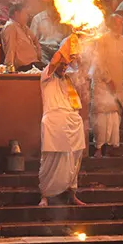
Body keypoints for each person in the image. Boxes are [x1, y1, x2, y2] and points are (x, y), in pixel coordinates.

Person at [38, 34, 86, 206]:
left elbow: (82, 70)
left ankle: (71, 194)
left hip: (72, 122)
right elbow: (54, 61)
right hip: (54, 122)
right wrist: (70, 40)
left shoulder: (69, 79)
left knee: (74, 159)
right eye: (62, 64)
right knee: (50, 158)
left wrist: (76, 51)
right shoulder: (46, 76)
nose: (65, 67)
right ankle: (45, 195)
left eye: (67, 64)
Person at [90, 14, 123, 157]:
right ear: (111, 24)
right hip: (102, 83)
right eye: (117, 24)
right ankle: (99, 147)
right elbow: (99, 61)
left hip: (118, 83)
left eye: (121, 23)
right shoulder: (102, 39)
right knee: (102, 116)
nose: (119, 26)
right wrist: (108, 79)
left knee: (115, 115)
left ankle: (113, 146)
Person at [1, 4, 43, 71]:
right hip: (24, 66)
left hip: (34, 63)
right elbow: (10, 49)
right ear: (16, 14)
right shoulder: (10, 27)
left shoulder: (23, 26)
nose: (27, 17)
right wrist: (10, 69)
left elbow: (34, 38)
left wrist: (38, 49)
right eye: (25, 14)